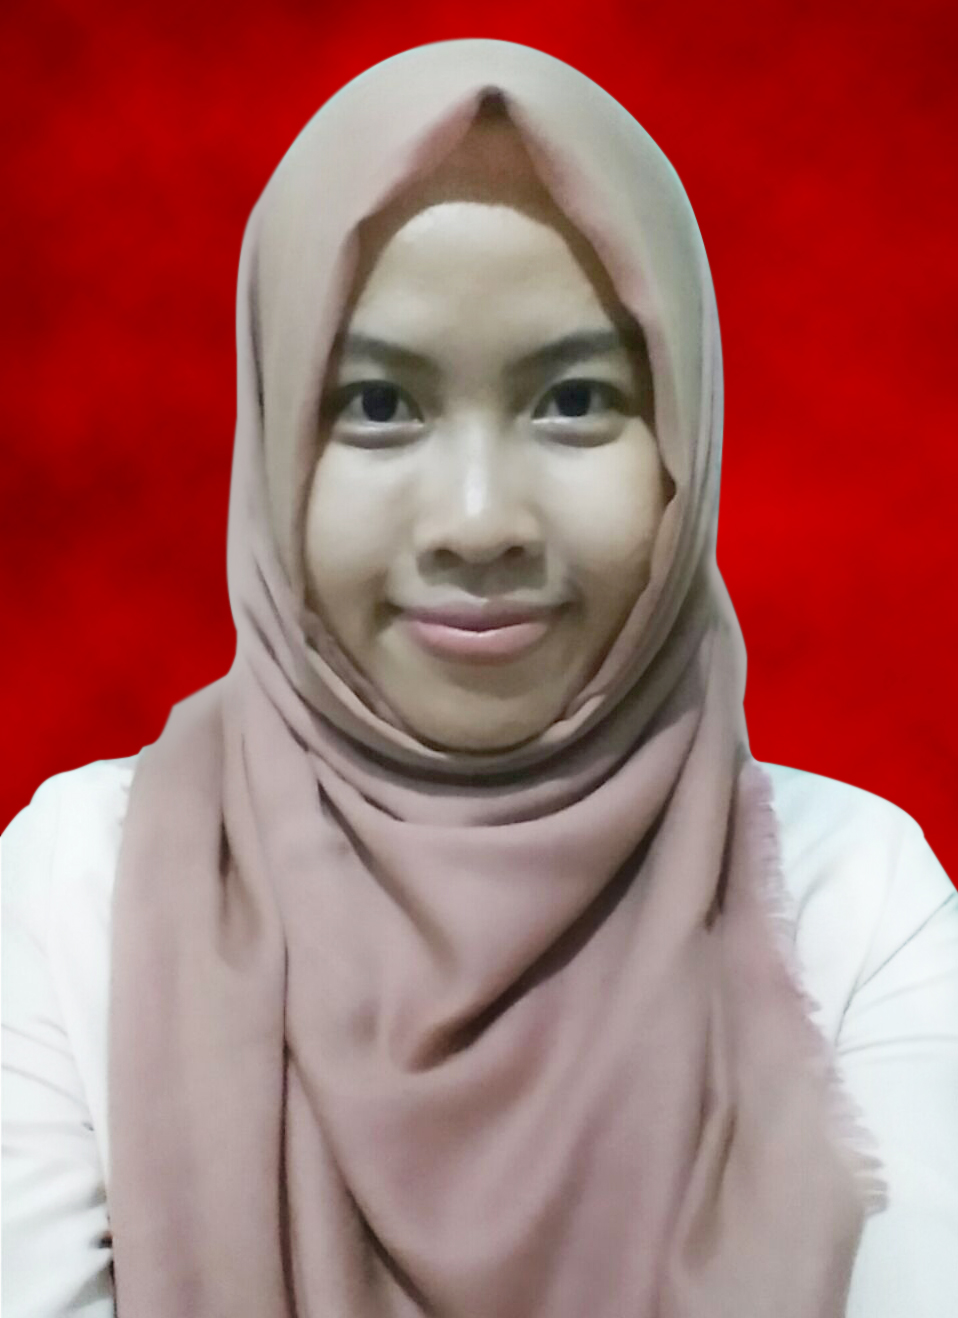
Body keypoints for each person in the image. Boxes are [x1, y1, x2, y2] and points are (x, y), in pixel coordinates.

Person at [2, 38, 957, 1318]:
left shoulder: (852, 907)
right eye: (377, 405)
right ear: (275, 438)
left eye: (573, 398)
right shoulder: (78, 893)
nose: (476, 521)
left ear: (682, 442)